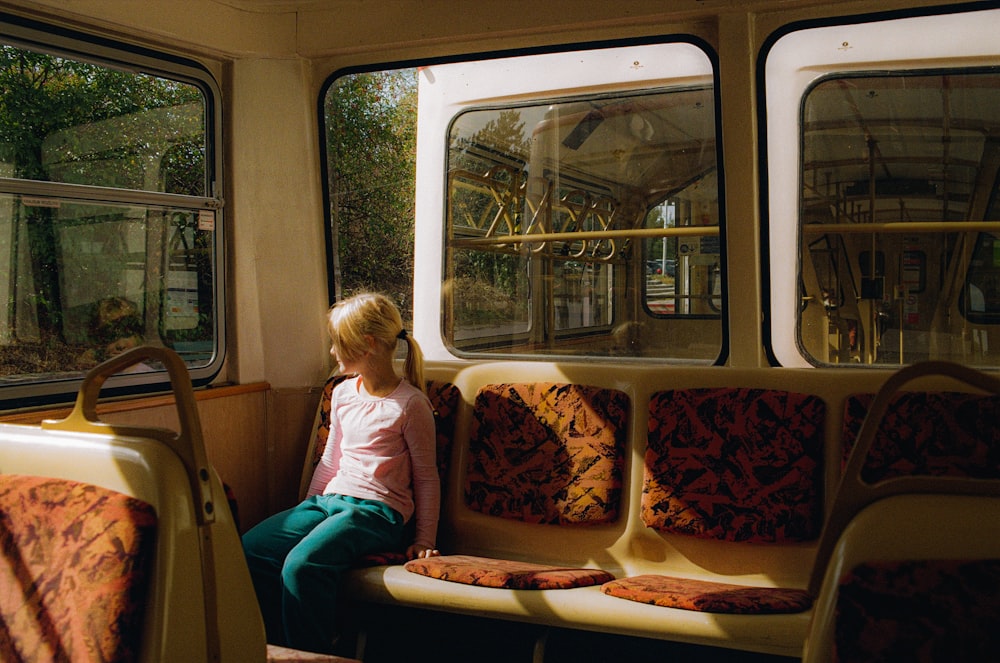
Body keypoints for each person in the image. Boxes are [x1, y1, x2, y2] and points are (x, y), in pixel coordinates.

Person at [242, 292, 440, 653]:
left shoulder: (410, 404)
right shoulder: (343, 393)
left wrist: (424, 539)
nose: (333, 353)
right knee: (252, 550)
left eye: (338, 344)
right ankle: (277, 647)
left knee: (302, 566)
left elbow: (427, 478)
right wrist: (307, 510)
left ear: (367, 345)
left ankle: (313, 651)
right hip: (330, 501)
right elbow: (331, 459)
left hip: (376, 513)